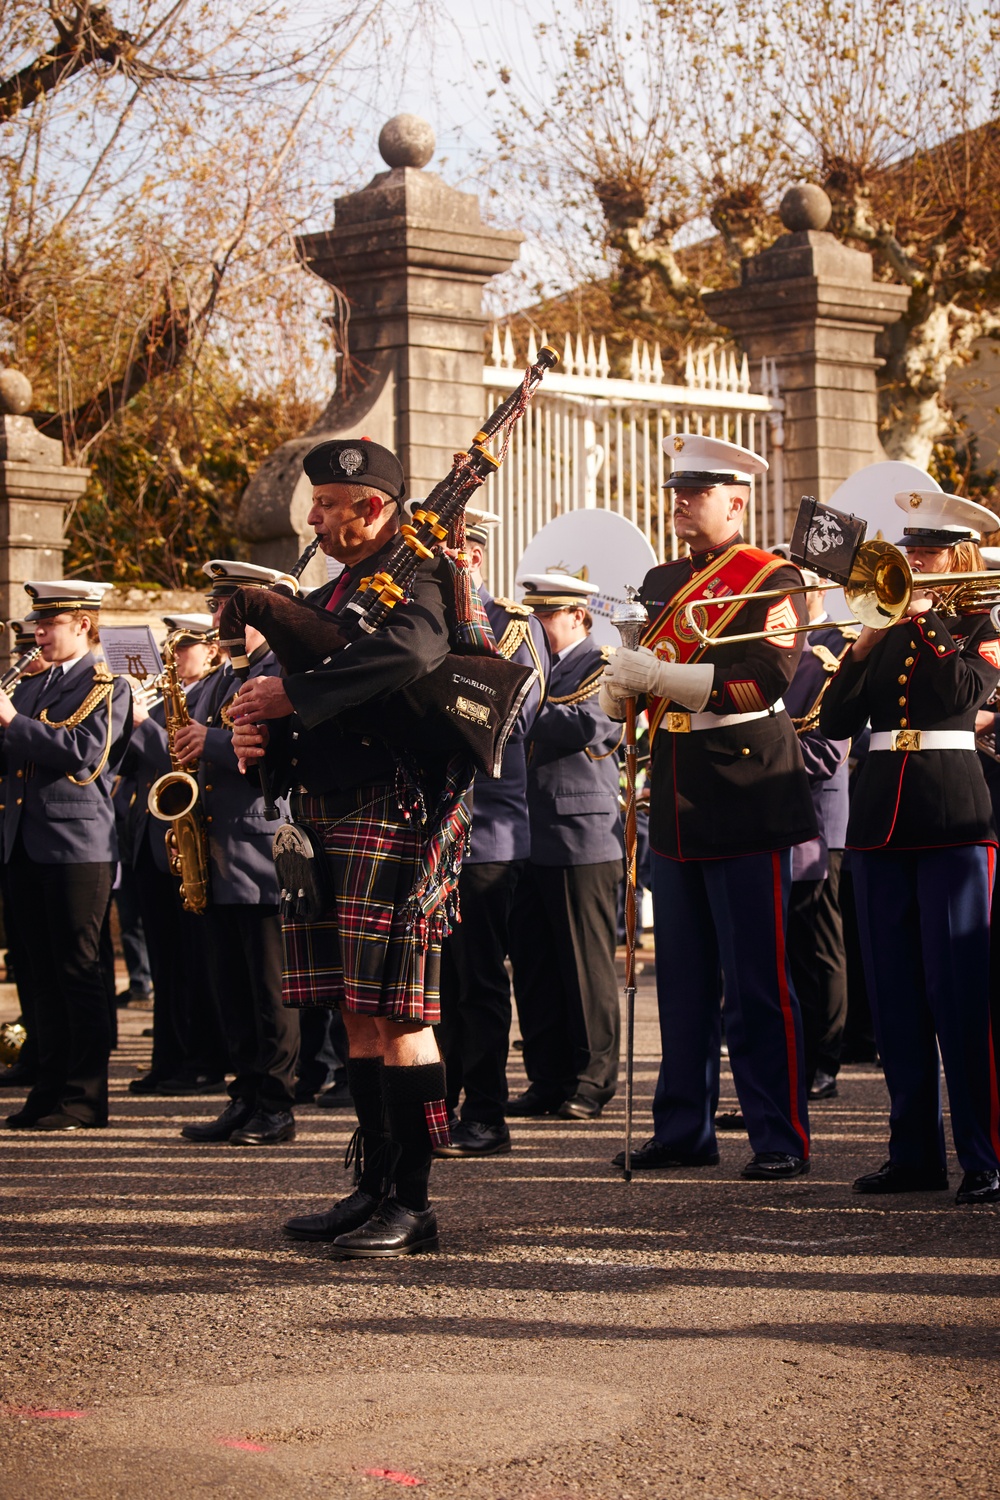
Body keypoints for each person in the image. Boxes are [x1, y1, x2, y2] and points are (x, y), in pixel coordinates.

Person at [231, 437, 459, 1256]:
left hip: (394, 811)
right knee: (356, 1014)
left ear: (373, 507)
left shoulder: (426, 575)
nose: (315, 517)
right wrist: (257, 728)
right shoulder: (342, 587)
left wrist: (291, 695)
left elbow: (413, 653)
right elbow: (311, 676)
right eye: (316, 503)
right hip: (328, 813)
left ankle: (415, 1201)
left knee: (400, 1014)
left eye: (329, 504)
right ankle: (371, 1186)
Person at [601, 434, 816, 1181]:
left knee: (756, 980)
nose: (682, 502)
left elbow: (767, 682)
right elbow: (642, 681)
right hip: (678, 787)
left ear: (737, 499)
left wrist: (662, 672)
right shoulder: (662, 580)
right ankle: (683, 1127)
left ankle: (778, 1134)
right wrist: (622, 688)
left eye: (697, 491)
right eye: (677, 491)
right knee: (684, 981)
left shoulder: (772, 577)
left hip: (747, 788)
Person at [820, 488, 1000, 1206]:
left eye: (926, 552)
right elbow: (836, 721)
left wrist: (926, 623)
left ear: (957, 558)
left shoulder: (980, 623)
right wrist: (863, 640)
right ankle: (913, 1153)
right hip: (880, 825)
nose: (911, 561)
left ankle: (984, 1156)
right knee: (895, 999)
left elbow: (961, 695)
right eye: (909, 550)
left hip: (953, 816)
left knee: (960, 997)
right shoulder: (883, 624)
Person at [435, 508, 550, 1157]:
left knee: (476, 979)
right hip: (424, 823)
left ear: (472, 557)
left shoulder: (511, 626)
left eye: (450, 553)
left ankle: (485, 1110)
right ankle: (434, 1099)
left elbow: (521, 711)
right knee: (428, 978)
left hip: (485, 829)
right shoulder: (419, 620)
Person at [1, 580, 132, 1131]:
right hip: (22, 843)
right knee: (34, 972)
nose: (38, 633)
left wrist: (10, 720)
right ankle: (48, 1087)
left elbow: (84, 756)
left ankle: (84, 1096)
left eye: (49, 624)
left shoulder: (108, 683)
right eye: (37, 623)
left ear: (82, 623)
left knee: (78, 970)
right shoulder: (32, 687)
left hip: (77, 848)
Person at [179, 566, 300, 1147]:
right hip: (219, 845)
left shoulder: (284, 668)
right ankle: (244, 1093)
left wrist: (213, 744)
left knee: (268, 987)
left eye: (231, 608)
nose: (218, 619)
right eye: (217, 608)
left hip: (262, 845)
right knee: (230, 984)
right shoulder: (218, 678)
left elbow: (280, 748)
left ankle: (276, 1103)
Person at [506, 571, 623, 1121]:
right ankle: (547, 1077)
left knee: (585, 967)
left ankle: (593, 1080)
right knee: (535, 967)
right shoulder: (534, 664)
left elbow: (590, 726)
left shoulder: (602, 664)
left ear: (578, 615)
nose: (538, 626)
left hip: (581, 835)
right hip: (527, 830)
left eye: (547, 615)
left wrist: (513, 708)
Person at [127, 614, 227, 1095]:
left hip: (192, 837)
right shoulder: (163, 695)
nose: (180, 654)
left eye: (188, 645)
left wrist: (142, 724)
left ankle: (201, 1059)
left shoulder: (209, 692)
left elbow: (177, 755)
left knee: (195, 959)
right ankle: (167, 1058)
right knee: (166, 959)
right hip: (153, 837)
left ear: (209, 650)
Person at [780, 565, 854, 1101]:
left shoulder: (831, 656)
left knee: (819, 945)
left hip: (818, 822)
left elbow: (827, 750)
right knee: (786, 948)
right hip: (774, 820)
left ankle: (825, 1059)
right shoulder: (780, 654)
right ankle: (794, 1059)